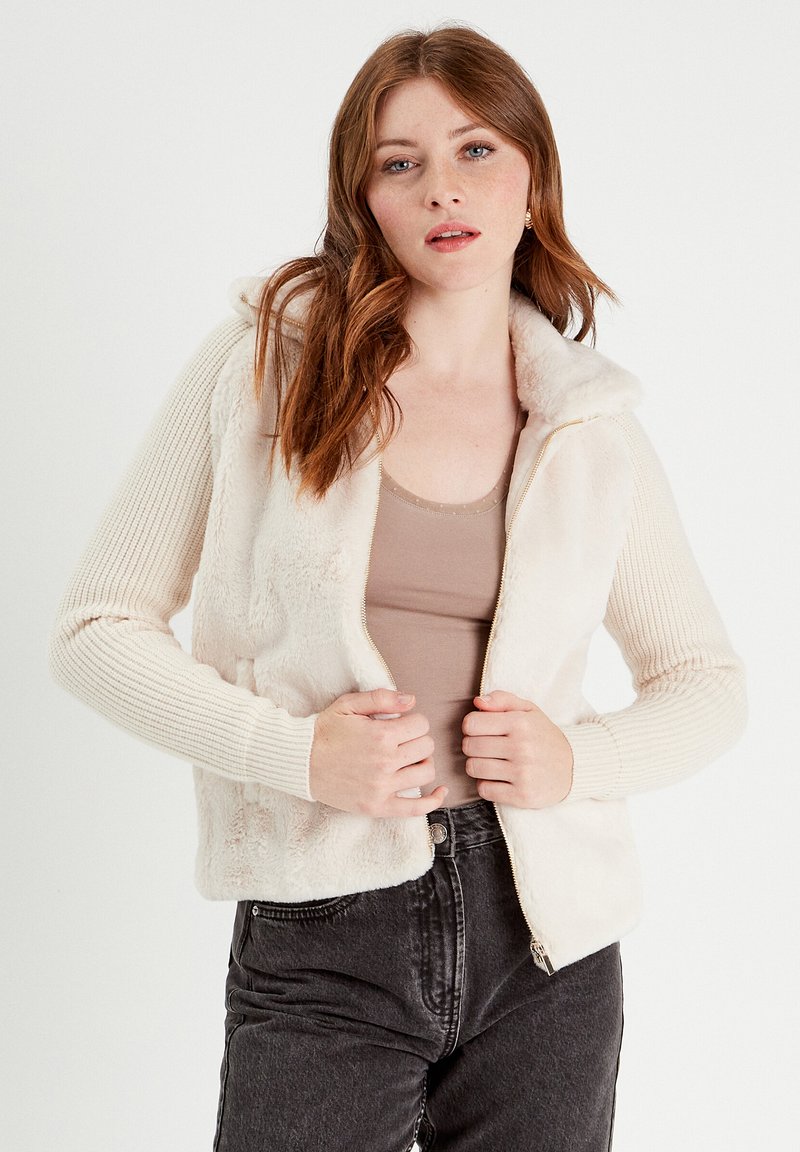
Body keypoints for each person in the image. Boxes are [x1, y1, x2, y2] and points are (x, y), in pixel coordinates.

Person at [48, 24, 747, 1152]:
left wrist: (579, 760)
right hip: (325, 922)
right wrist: (295, 754)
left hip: (547, 939)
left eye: (475, 150)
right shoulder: (268, 363)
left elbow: (706, 679)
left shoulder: (588, 422)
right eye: (399, 162)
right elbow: (95, 627)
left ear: (532, 179)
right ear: (362, 196)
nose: (441, 189)